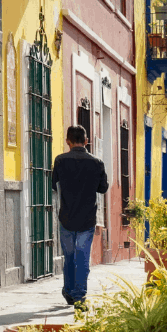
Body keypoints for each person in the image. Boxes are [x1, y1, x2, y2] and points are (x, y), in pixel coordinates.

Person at [52, 125, 108, 311]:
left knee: (69, 257)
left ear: (67, 141)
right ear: (86, 141)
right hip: (87, 219)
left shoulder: (60, 161)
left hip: (66, 217)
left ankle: (68, 290)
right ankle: (79, 295)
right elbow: (103, 188)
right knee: (82, 256)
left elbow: (54, 185)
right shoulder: (97, 162)